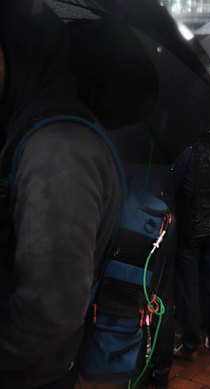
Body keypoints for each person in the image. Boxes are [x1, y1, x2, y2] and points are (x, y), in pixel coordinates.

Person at [0, 2, 123, 387]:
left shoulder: (58, 148)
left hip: (28, 374)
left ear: (20, 53)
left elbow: (51, 307)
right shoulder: (27, 126)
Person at [173, 132, 210, 356]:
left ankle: (190, 341)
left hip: (191, 227)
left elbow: (178, 185)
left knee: (189, 287)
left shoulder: (185, 146)